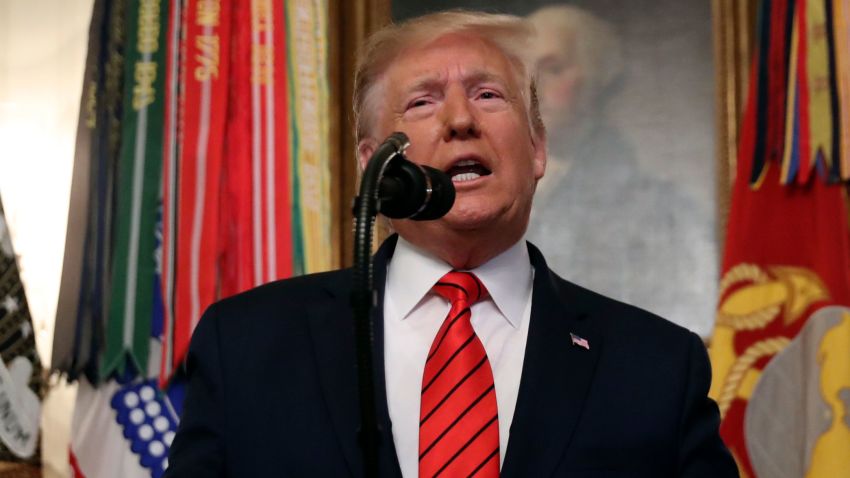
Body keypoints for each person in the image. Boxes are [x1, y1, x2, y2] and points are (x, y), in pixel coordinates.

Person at [164, 10, 738, 478]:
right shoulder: (247, 345)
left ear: (537, 148)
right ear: (374, 165)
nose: (460, 119)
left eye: (489, 95)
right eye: (422, 101)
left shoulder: (658, 367)